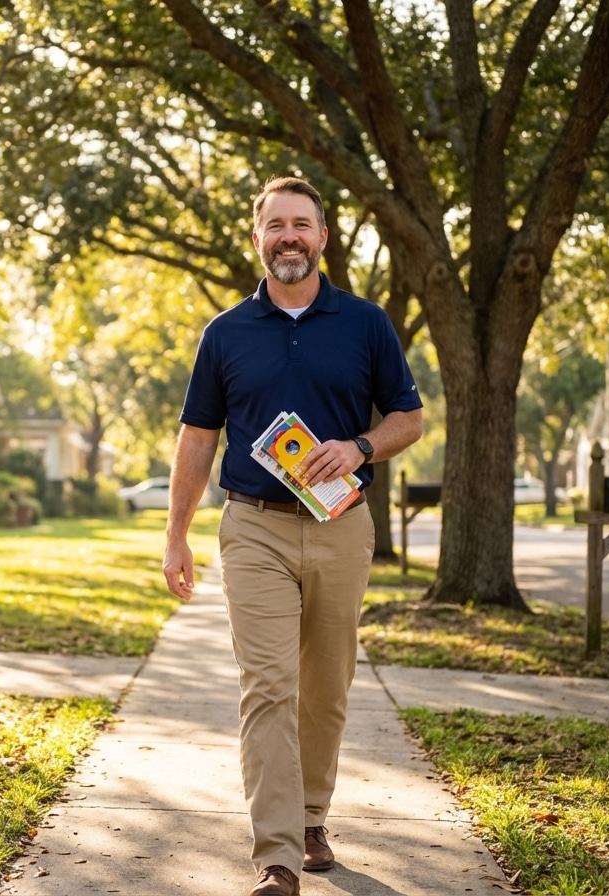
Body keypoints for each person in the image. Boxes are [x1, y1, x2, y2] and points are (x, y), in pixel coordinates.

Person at [163, 175, 423, 896]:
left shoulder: (366, 323)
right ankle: (276, 855)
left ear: (322, 238)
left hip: (342, 527)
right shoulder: (225, 333)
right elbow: (197, 438)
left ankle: (312, 818)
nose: (288, 236)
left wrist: (360, 448)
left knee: (326, 688)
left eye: (301, 225)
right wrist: (176, 535)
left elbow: (409, 418)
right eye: (275, 224)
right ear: (258, 238)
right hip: (254, 528)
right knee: (268, 687)